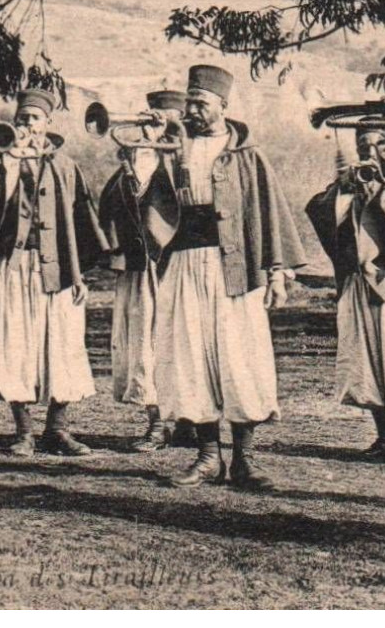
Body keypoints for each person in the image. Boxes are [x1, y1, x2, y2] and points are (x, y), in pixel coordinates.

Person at [151, 65, 305, 489]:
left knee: (239, 357)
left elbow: (267, 213)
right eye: (191, 101)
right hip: (184, 262)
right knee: (191, 355)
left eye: (202, 102)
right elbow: (149, 208)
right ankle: (206, 457)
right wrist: (145, 162)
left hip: (234, 269)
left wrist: (276, 272)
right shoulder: (171, 149)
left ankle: (245, 460)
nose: (194, 109)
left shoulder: (247, 154)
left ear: (224, 106)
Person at [0, 88, 108, 456]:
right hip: (14, 267)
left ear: (48, 123)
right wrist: (9, 163)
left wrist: (79, 276)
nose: (26, 125)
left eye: (33, 118)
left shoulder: (64, 165)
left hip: (58, 270)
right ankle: (23, 433)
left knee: (62, 345)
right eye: (21, 119)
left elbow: (79, 223)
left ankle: (57, 429)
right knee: (14, 344)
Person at [306, 123, 385, 463]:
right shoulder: (348, 186)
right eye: (363, 145)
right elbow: (323, 216)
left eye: (377, 145)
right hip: (361, 284)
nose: (369, 152)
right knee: (368, 360)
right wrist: (346, 193)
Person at [99, 88, 187, 452]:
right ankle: (157, 422)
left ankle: (186, 420)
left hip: (180, 263)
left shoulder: (188, 157)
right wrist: (141, 154)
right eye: (150, 116)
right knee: (145, 344)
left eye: (161, 118)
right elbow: (121, 200)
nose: (152, 124)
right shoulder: (139, 156)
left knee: (183, 343)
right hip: (143, 266)